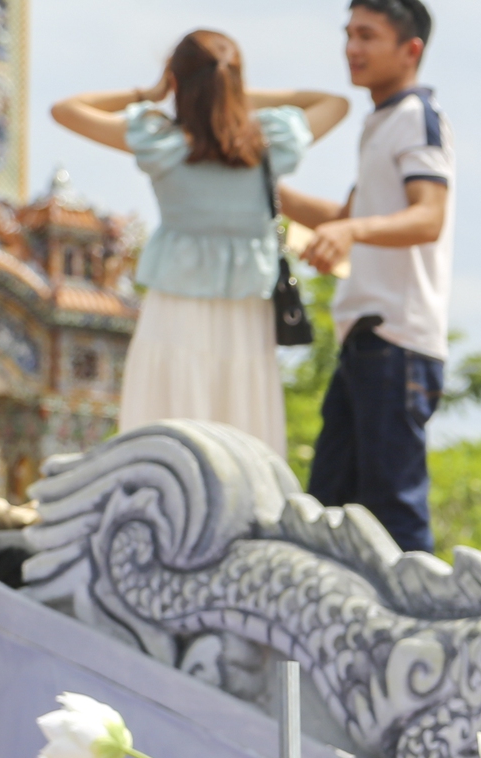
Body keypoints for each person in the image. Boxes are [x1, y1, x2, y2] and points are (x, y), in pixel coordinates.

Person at [52, 35, 347, 454]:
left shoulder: (163, 143)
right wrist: (232, 91)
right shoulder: (265, 144)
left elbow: (65, 110)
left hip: (175, 306)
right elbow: (333, 103)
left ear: (176, 81)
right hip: (246, 310)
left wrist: (150, 93)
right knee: (243, 430)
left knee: (167, 425)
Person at [277, 0, 453, 554]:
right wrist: (265, 188)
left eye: (368, 36)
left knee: (393, 515)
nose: (352, 48)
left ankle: (423, 638)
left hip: (397, 338)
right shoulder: (380, 120)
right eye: (349, 34)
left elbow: (429, 215)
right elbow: (345, 217)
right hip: (366, 340)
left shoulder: (417, 117)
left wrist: (353, 234)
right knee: (330, 511)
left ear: (411, 50)